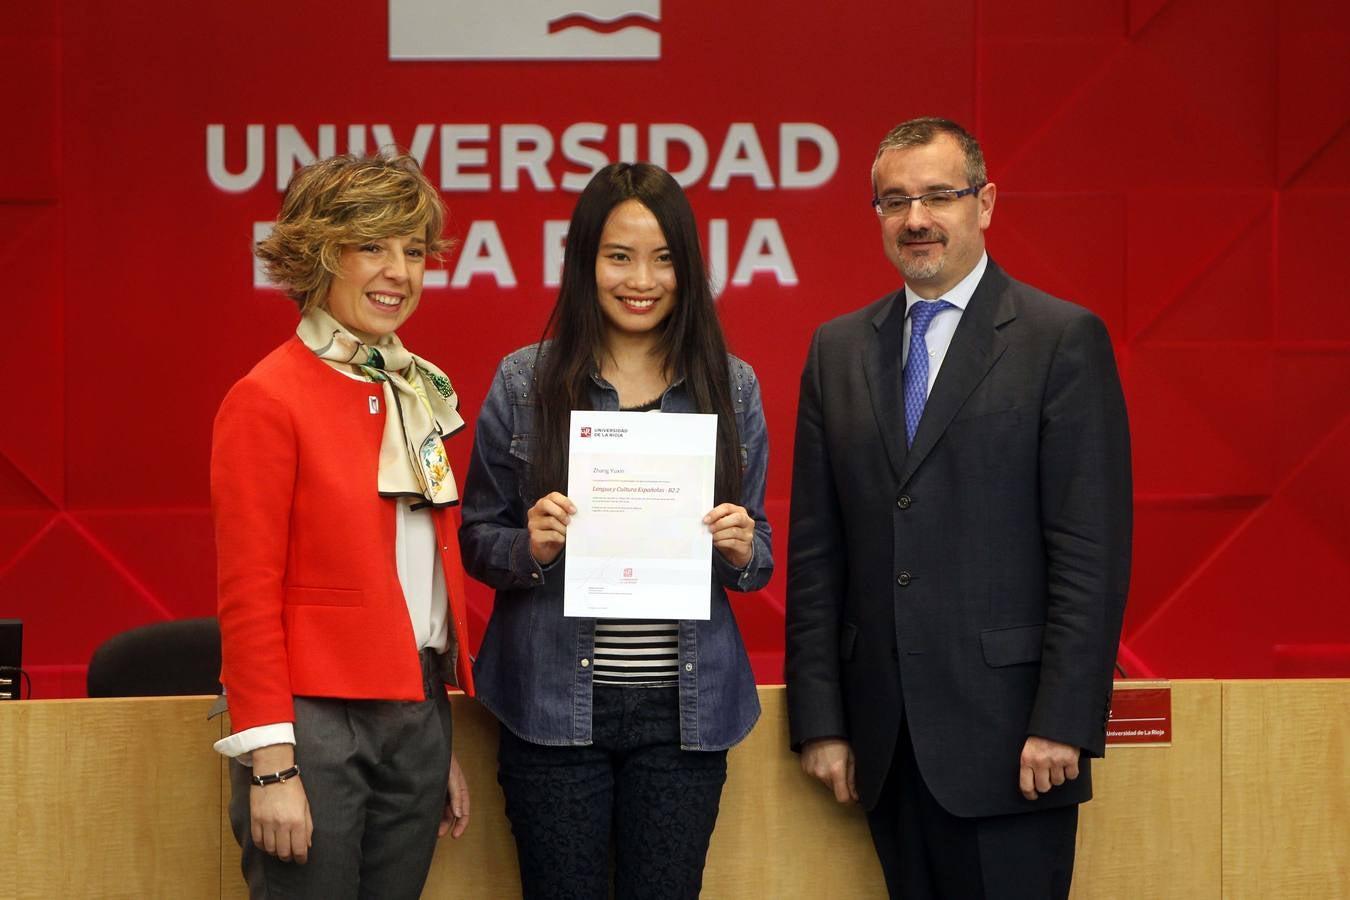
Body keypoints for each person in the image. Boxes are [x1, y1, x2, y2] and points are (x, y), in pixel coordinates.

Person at [785, 117, 1131, 899]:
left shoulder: (1060, 339)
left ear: (986, 203)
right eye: (895, 200)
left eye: (940, 195)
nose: (917, 218)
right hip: (883, 745)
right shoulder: (837, 351)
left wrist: (1064, 720)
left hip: (1018, 744)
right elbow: (816, 551)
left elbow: (1090, 553)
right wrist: (823, 719)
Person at [459, 162, 773, 899]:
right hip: (550, 707)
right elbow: (477, 538)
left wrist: (739, 546)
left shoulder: (733, 386)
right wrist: (528, 546)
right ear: (585, 263)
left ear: (689, 269)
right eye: (620, 256)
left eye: (665, 258)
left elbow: (758, 557)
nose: (643, 278)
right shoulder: (523, 382)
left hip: (682, 714)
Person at [211, 151, 475, 899]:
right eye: (373, 247)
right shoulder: (267, 397)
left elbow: (417, 578)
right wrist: (273, 764)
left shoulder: (414, 386)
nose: (400, 271)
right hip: (313, 724)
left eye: (414, 251)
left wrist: (433, 741)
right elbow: (248, 597)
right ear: (320, 253)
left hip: (415, 710)